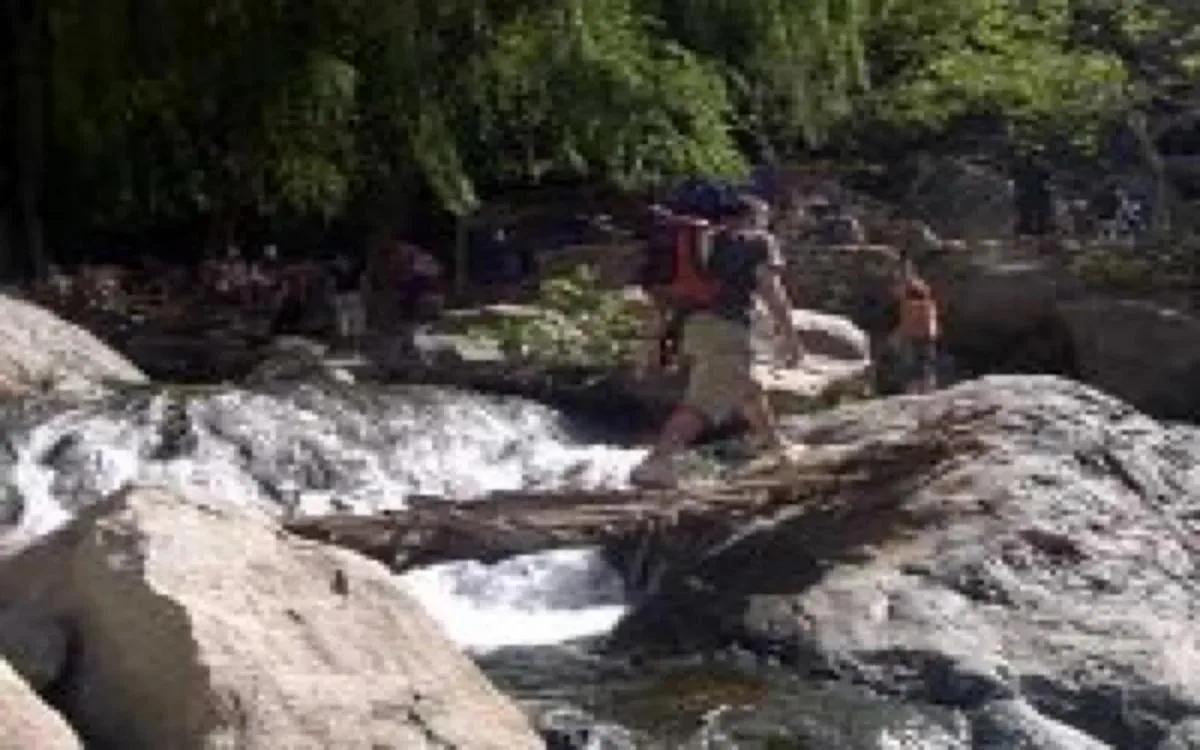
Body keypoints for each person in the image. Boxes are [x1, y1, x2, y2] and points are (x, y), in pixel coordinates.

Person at [630, 193, 804, 489]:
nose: (767, 224)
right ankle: (657, 462)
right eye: (764, 218)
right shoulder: (757, 241)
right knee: (704, 401)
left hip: (694, 329)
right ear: (752, 216)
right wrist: (790, 336)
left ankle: (777, 448)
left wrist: (654, 342)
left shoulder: (703, 241)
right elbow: (771, 290)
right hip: (727, 330)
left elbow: (670, 297)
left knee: (747, 389)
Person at [890, 257, 940, 394]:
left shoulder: (914, 288)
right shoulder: (915, 289)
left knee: (918, 363)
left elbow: (919, 308)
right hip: (920, 332)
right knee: (920, 363)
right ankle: (923, 387)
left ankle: (921, 387)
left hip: (917, 332)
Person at [330, 251, 365, 350]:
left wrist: (332, 294)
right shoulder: (356, 266)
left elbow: (332, 283)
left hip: (343, 294)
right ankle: (355, 345)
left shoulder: (336, 267)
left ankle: (347, 345)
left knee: (343, 319)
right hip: (353, 294)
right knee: (354, 320)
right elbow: (362, 280)